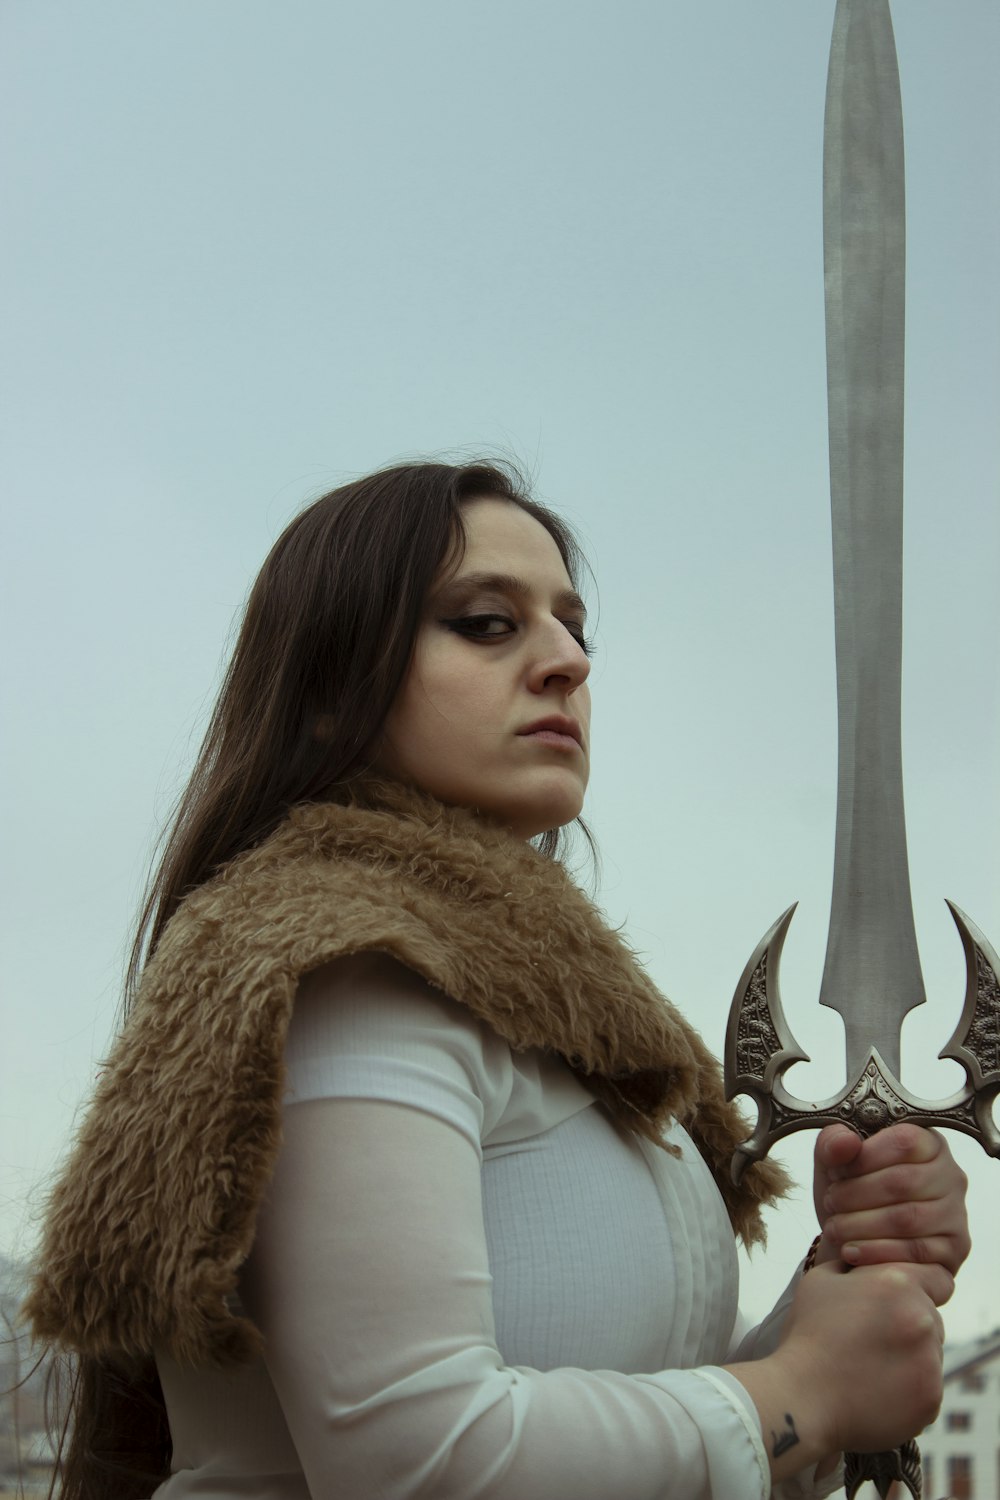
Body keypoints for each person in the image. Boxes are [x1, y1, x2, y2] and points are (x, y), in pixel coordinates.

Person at [25, 459, 970, 1500]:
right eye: (486, 622)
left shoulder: (565, 1025)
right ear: (333, 691)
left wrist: (842, 1293)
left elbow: (650, 1438)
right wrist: (800, 1390)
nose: (565, 660)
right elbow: (417, 1460)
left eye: (575, 628)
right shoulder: (345, 973)